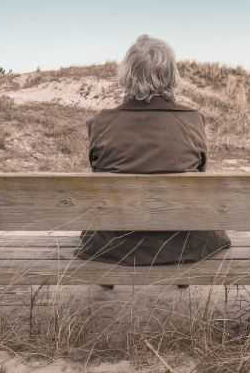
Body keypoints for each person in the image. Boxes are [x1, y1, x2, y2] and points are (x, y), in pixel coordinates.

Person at [74, 35, 231, 284]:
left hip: (115, 246)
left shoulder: (101, 123)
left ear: (128, 75)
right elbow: (200, 173)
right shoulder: (193, 121)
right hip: (184, 244)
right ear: (171, 75)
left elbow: (98, 173)